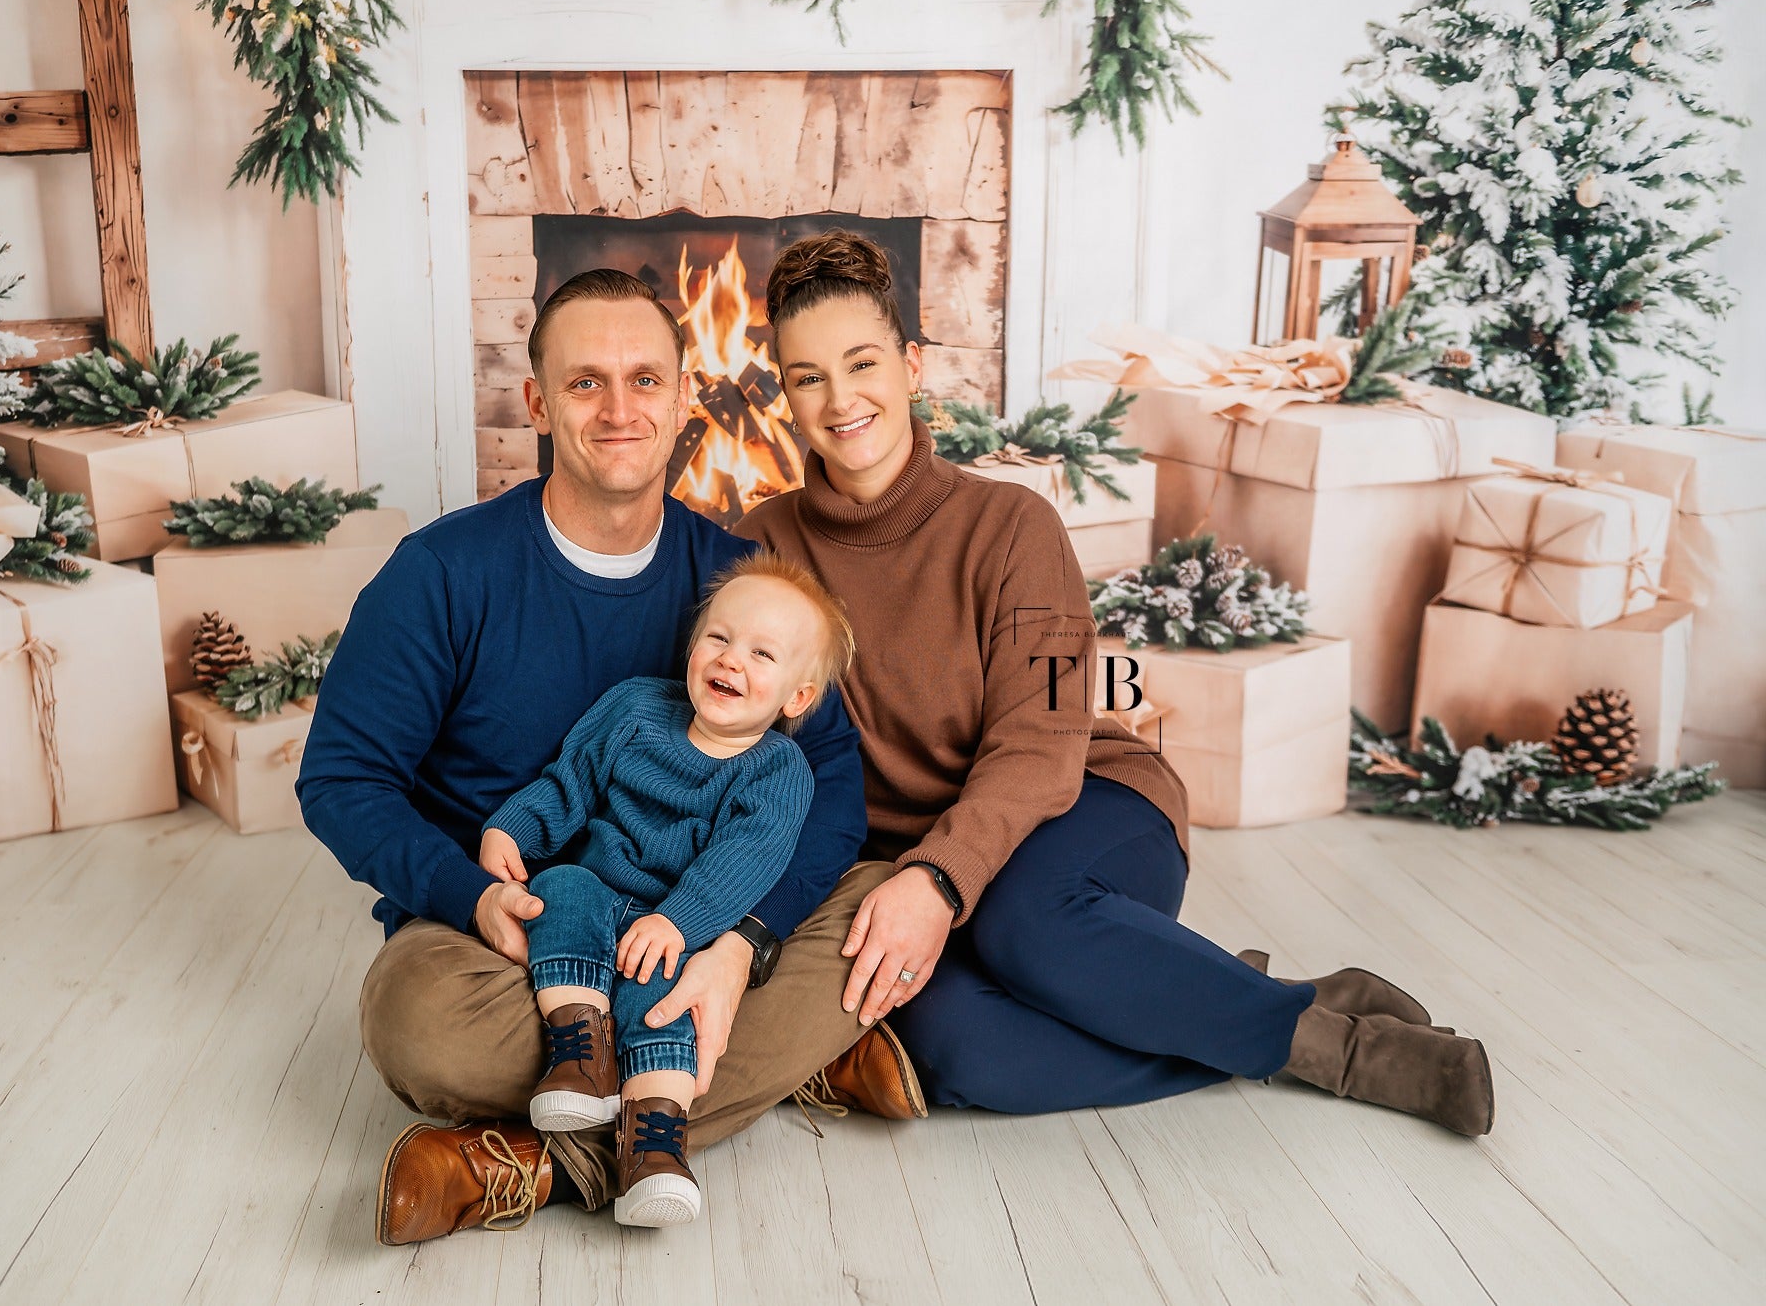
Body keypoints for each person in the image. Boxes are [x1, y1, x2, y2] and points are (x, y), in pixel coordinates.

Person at [736, 230, 1495, 1136]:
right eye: (806, 376)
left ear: (910, 364)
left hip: (1083, 811)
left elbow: (1044, 744)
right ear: (784, 394)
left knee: (1027, 926)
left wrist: (936, 879)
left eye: (861, 362)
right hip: (918, 866)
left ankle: (1344, 1051)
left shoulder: (1012, 524)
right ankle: (1252, 996)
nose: (839, 398)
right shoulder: (763, 546)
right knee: (948, 1047)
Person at [297, 269, 922, 1250]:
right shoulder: (441, 574)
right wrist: (468, 894)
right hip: (520, 941)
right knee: (416, 1024)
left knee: (880, 902)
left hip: (697, 924)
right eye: (585, 383)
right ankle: (770, 1060)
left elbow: (834, 780)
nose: (620, 408)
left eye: (644, 380)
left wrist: (737, 945)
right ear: (538, 401)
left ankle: (532, 1159)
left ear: (683, 398)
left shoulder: (736, 587)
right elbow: (340, 777)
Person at [479, 553, 857, 1227]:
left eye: (762, 653)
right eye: (719, 636)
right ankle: (579, 1055)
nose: (731, 658)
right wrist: (512, 828)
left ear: (797, 697)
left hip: (678, 928)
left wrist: (677, 923)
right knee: (557, 889)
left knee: (665, 999)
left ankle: (653, 1144)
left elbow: (743, 863)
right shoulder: (634, 707)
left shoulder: (778, 770)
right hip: (596, 889)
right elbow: (570, 782)